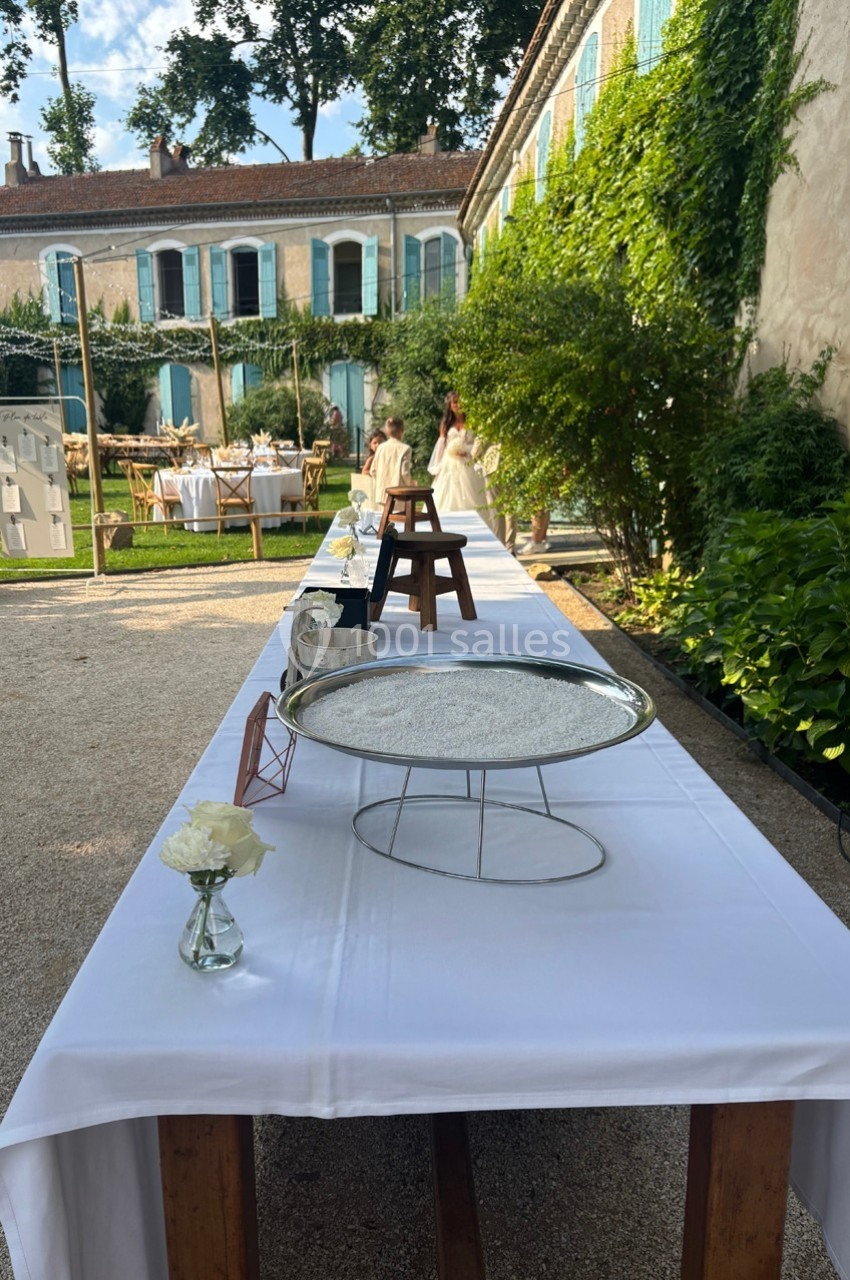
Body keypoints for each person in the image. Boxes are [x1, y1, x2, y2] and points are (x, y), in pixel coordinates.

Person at [432, 409, 488, 514]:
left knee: (472, 493)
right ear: (450, 405)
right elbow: (441, 444)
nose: (458, 405)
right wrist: (437, 468)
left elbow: (477, 441)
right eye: (455, 402)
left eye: (460, 402)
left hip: (468, 461)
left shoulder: (471, 421)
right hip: (449, 463)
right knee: (447, 494)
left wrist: (468, 451)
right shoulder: (446, 424)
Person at [371, 417, 413, 508]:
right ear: (402, 431)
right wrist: (411, 485)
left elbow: (373, 470)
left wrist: (380, 484)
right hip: (399, 494)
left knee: (384, 519)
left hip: (382, 493)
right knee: (400, 519)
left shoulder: (380, 448)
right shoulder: (405, 449)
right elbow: (404, 473)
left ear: (386, 431)